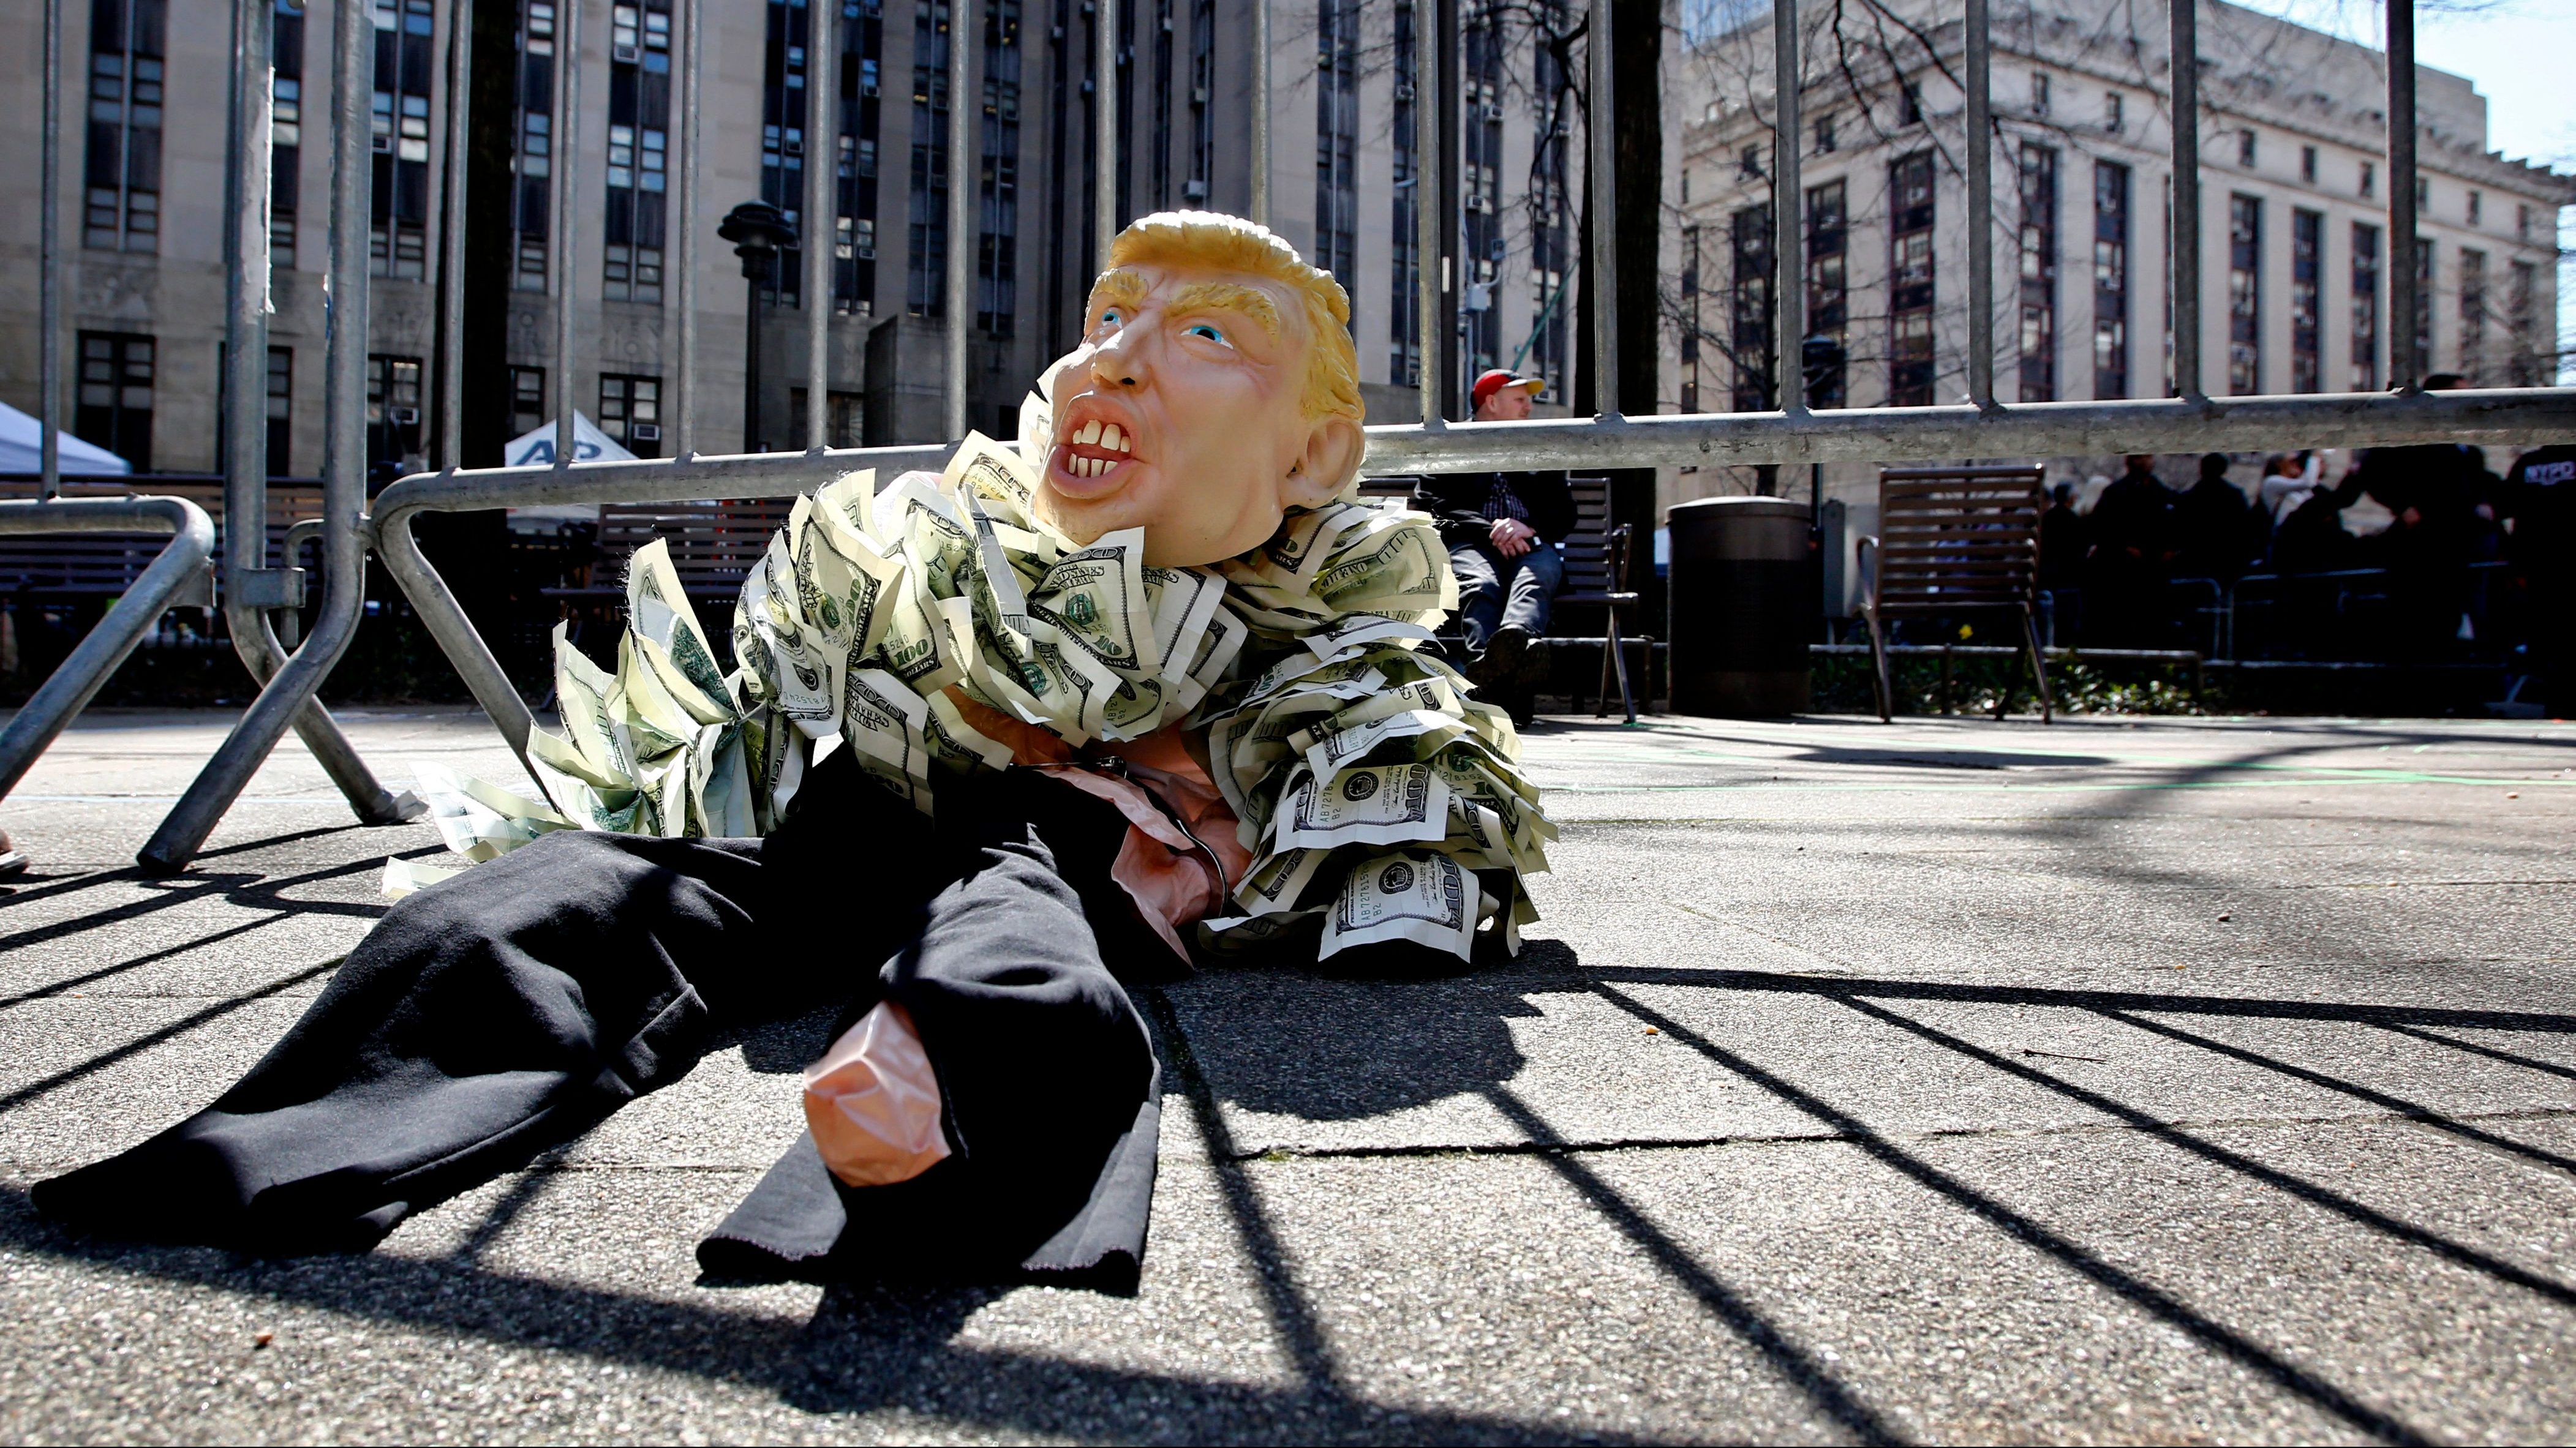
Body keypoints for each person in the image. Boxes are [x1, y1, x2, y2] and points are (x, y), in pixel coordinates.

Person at [34, 213, 1554, 1286]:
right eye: (1108, 322)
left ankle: (944, 1087)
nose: (1113, 361)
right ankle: (308, 1118)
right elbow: (755, 718)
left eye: (1200, 335)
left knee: (1021, 893)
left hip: (1065, 837)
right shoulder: (940, 538)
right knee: (599, 884)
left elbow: (1407, 797)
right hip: (863, 815)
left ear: (1308, 456)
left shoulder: (1339, 608)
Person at [1412, 369, 1575, 713]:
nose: (1528, 408)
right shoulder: (1451, 444)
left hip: (1530, 544)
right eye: (1520, 399)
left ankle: (1512, 643)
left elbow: (1564, 513)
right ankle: (1506, 682)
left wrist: (1524, 527)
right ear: (1491, 402)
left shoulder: (1540, 448)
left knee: (1537, 577)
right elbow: (1433, 503)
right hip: (1471, 544)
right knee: (1481, 584)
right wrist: (1490, 530)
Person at [2501, 440, 2576, 714]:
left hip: (2539, 567)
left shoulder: (2528, 465)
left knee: (2549, 642)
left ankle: (2557, 706)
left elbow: (2504, 504)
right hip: (2557, 566)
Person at [2082, 454, 2182, 646]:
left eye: (2147, 457)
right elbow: (2101, 530)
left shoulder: (2163, 494)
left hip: (2155, 576)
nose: (2143, 462)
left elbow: (2176, 529)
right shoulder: (2115, 494)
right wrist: (2123, 549)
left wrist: (2169, 551)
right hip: (2122, 577)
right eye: (2139, 458)